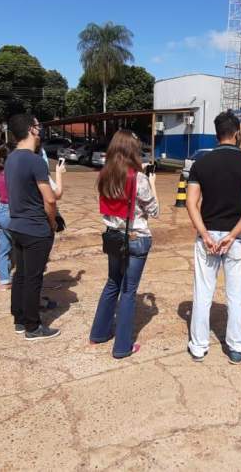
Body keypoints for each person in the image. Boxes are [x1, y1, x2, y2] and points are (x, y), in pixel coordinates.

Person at [186, 110, 241, 364]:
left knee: (203, 292)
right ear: (237, 134)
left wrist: (205, 233)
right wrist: (232, 235)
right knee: (236, 294)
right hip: (236, 239)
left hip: (207, 236)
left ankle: (198, 346)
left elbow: (191, 202)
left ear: (216, 134)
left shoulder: (201, 163)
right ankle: (236, 346)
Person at [90, 130, 159, 358]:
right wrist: (152, 183)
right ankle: (122, 347)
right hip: (136, 238)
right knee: (129, 291)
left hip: (113, 237)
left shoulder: (103, 175)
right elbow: (154, 211)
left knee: (112, 283)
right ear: (132, 150)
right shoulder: (138, 178)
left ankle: (98, 333)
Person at [5, 114, 61, 340]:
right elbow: (49, 199)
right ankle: (32, 327)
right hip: (35, 228)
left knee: (20, 275)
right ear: (32, 130)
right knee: (33, 278)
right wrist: (52, 222)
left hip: (16, 226)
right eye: (38, 126)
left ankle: (19, 319)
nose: (41, 129)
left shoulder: (11, 158)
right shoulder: (35, 160)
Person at [0, 145, 12, 290]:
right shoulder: (12, 175)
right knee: (20, 247)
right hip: (11, 211)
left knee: (3, 249)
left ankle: (4, 280)